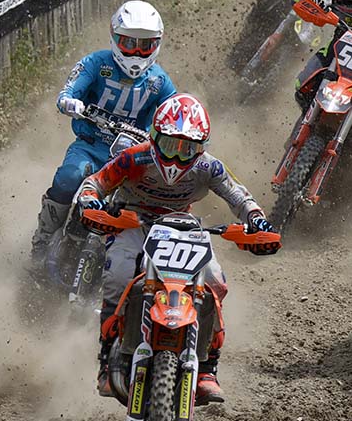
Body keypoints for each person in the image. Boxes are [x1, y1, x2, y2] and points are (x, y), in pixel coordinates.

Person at [76, 94, 275, 403]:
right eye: (170, 146)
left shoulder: (209, 167)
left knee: (215, 283)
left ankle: (207, 368)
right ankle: (106, 363)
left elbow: (238, 196)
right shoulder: (133, 158)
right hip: (132, 222)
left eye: (187, 149)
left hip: (181, 227)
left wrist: (257, 219)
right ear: (155, 137)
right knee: (118, 277)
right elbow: (96, 182)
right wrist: (90, 201)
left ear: (201, 148)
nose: (177, 157)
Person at [30, 0, 176, 268]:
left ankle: (144, 265)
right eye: (129, 43)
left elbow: (176, 112)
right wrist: (69, 102)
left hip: (133, 157)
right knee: (69, 177)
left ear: (157, 43)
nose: (137, 52)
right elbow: (68, 91)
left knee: (151, 200)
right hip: (92, 145)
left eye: (145, 45)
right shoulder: (96, 63)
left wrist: (178, 133)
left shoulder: (159, 81)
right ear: (114, 37)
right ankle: (43, 238)